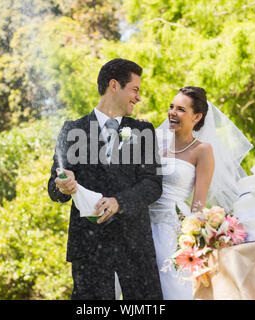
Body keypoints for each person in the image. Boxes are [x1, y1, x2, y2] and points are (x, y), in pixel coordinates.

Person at [48, 58, 164, 300]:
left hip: (135, 244)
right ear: (114, 85)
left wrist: (118, 202)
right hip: (89, 247)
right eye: (135, 89)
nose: (138, 97)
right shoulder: (72, 129)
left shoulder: (143, 131)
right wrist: (63, 184)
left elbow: (152, 184)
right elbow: (54, 188)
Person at [149, 86, 253, 299]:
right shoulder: (155, 142)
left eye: (180, 109)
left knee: (172, 289)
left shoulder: (202, 150)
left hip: (171, 229)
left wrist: (189, 237)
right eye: (171, 107)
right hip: (141, 224)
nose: (172, 113)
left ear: (197, 117)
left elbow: (198, 203)